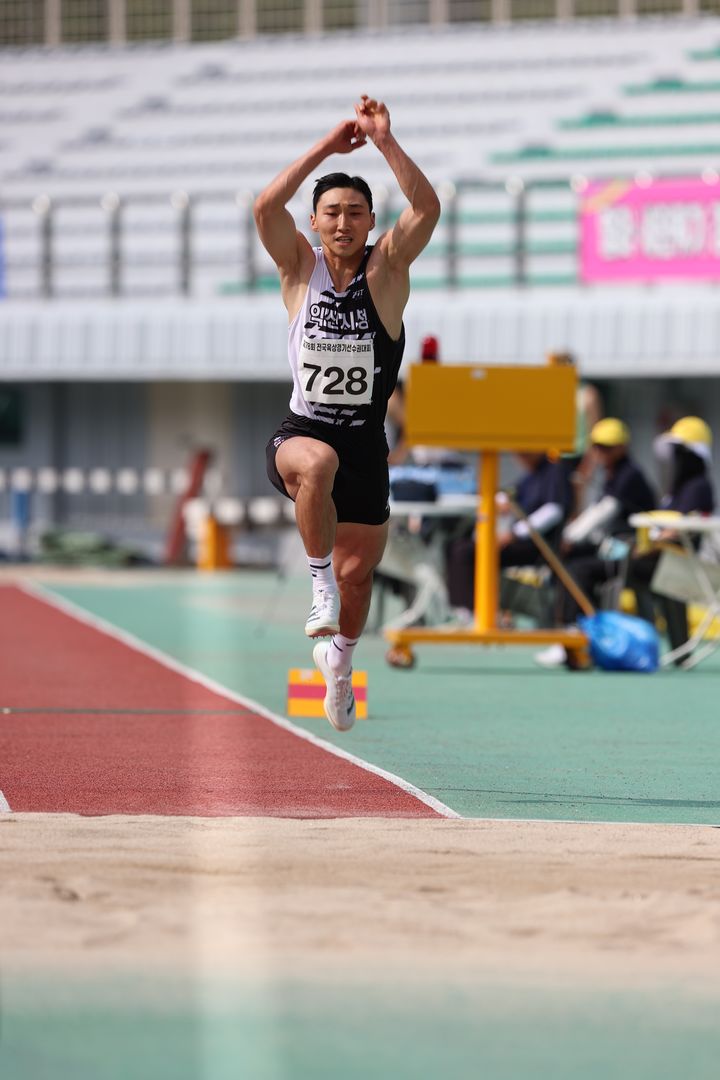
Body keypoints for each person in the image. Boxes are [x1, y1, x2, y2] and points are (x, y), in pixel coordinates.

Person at [256, 95, 441, 732]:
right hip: (304, 431)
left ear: (368, 222)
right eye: (331, 212)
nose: (343, 223)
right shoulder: (297, 268)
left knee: (360, 577)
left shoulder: (386, 269)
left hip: (367, 444)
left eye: (354, 213)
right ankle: (317, 583)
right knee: (318, 464)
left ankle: (340, 661)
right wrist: (326, 149)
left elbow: (427, 209)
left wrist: (384, 140)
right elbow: (263, 207)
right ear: (314, 221)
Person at [535, 417, 657, 667]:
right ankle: (576, 631)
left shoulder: (629, 474)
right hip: (615, 548)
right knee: (568, 559)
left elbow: (605, 511)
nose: (601, 452)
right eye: (598, 446)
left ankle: (575, 635)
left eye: (608, 447)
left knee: (578, 568)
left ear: (622, 447)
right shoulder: (614, 473)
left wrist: (571, 535)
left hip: (631, 555)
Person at [625, 416, 715, 660]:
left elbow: (686, 529)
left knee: (627, 569)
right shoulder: (678, 488)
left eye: (681, 452)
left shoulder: (698, 487)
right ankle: (657, 644)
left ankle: (641, 644)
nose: (676, 458)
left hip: (690, 566)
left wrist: (652, 544)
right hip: (670, 561)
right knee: (627, 568)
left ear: (694, 455)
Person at [446, 452, 573, 618]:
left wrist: (515, 534)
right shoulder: (531, 475)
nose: (521, 457)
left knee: (466, 552)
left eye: (525, 452)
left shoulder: (554, 472)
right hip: (518, 541)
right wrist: (499, 501)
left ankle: (472, 612)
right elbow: (510, 495)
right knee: (455, 546)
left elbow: (554, 511)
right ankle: (461, 608)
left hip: (537, 546)